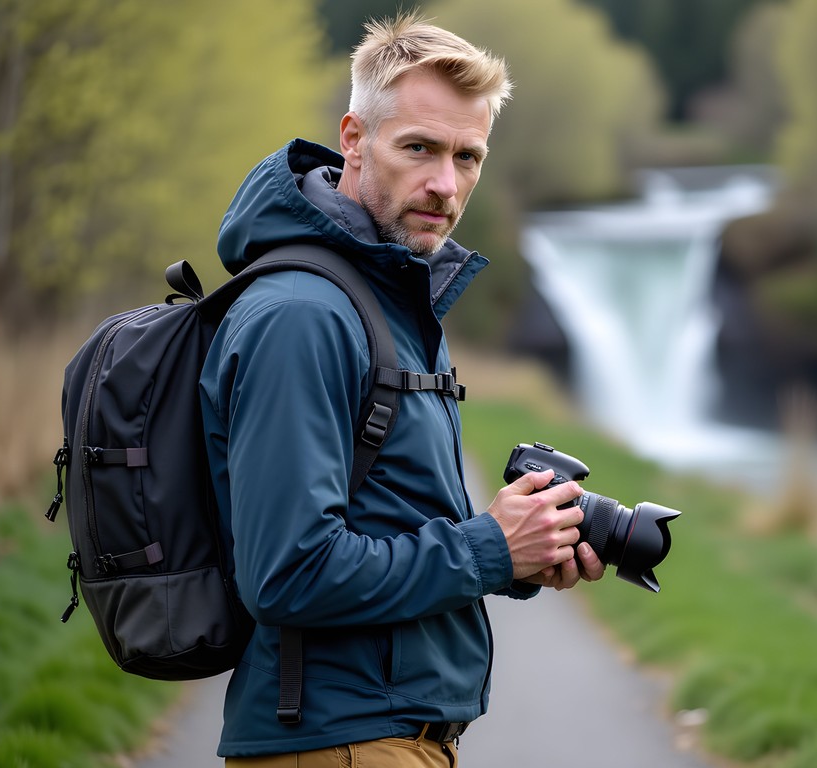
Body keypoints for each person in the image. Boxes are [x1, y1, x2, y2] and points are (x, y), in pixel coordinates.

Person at [199, 13, 604, 768]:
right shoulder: (303, 315)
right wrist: (488, 548)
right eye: (419, 148)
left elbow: (390, 521)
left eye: (467, 156)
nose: (445, 184)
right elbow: (288, 574)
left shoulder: (389, 296)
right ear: (354, 139)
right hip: (341, 741)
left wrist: (520, 554)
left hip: (388, 737)